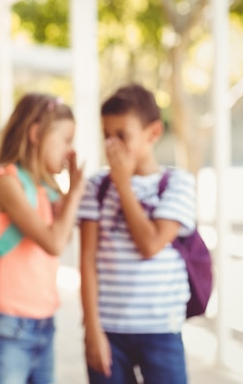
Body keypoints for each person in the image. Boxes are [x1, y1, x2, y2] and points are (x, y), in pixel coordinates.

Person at [78, 83, 197, 384]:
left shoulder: (178, 184)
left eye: (122, 136)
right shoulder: (97, 186)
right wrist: (92, 330)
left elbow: (150, 245)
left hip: (161, 330)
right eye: (107, 135)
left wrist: (123, 184)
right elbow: (87, 261)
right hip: (109, 331)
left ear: (153, 133)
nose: (112, 145)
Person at [0, 92, 85, 384]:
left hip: (44, 323)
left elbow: (64, 237)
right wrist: (74, 193)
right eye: (66, 140)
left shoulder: (45, 188)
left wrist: (64, 199)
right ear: (36, 134)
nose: (70, 150)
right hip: (8, 327)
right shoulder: (5, 180)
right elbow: (54, 243)